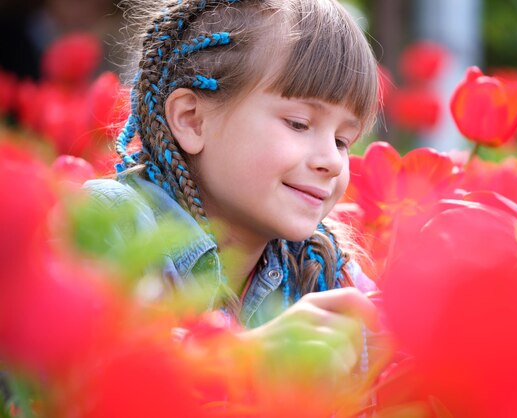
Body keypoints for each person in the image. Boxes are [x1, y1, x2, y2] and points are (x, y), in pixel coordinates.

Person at [85, 0, 381, 379]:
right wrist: (242, 357)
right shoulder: (117, 223)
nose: (333, 161)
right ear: (192, 120)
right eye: (299, 124)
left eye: (343, 140)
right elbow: (84, 365)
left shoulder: (318, 265)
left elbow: (399, 352)